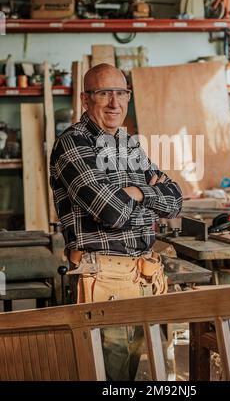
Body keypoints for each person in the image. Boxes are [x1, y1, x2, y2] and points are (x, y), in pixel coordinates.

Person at [50, 63, 182, 381]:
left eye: (121, 93)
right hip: (103, 279)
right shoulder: (73, 144)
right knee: (108, 375)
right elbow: (112, 212)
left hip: (139, 275)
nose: (115, 103)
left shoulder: (128, 144)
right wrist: (149, 196)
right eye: (104, 93)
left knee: (130, 372)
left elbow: (175, 200)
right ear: (86, 100)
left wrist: (135, 192)